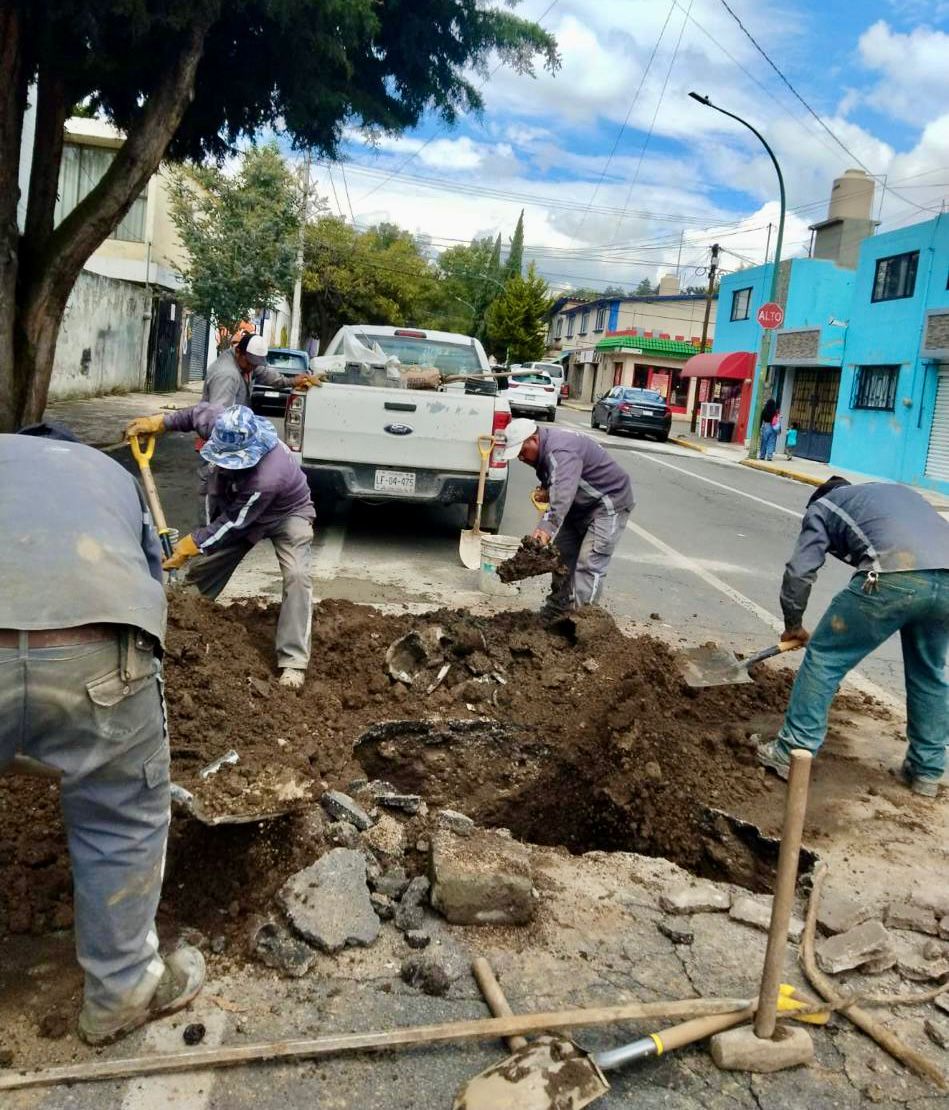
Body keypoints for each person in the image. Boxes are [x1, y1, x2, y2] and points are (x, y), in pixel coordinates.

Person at [0, 426, 204, 1045]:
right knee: (121, 812)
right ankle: (121, 992)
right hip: (98, 648)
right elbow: (152, 584)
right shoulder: (108, 473)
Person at [757, 477, 949, 796]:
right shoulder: (891, 494)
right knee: (928, 673)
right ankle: (926, 771)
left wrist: (793, 625)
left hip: (893, 576)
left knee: (824, 657)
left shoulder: (823, 506)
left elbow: (799, 572)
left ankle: (791, 752)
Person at [126, 404, 316, 688]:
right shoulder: (223, 425)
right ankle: (177, 619)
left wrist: (191, 544)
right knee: (206, 569)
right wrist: (160, 422)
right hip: (242, 509)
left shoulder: (268, 476)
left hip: (288, 513)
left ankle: (293, 662)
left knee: (298, 577)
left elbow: (233, 525)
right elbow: (192, 415)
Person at [501, 418, 634, 618]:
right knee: (561, 557)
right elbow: (559, 479)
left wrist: (545, 528)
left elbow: (562, 495)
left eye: (521, 452)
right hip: (580, 506)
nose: (521, 458)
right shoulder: (546, 449)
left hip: (607, 503)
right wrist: (547, 489)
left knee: (589, 563)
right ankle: (557, 611)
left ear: (534, 440)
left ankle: (585, 622)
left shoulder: (560, 451)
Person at [758, 396, 779, 461]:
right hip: (773, 427)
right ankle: (769, 456)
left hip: (766, 426)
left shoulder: (764, 410)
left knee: (764, 441)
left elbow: (761, 419)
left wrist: (759, 427)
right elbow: (776, 419)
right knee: (771, 442)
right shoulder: (775, 411)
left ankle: (762, 455)